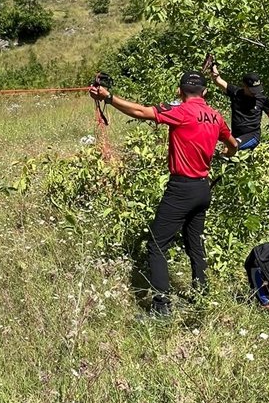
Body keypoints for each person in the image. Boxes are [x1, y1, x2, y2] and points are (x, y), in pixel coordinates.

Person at [89, 71, 237, 317]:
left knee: (157, 245)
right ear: (205, 92)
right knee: (195, 243)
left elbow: (140, 112)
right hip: (203, 188)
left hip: (181, 188)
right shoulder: (215, 116)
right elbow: (233, 144)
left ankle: (161, 309)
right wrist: (224, 153)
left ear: (180, 92)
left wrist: (109, 97)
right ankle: (202, 294)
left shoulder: (180, 111)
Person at [207, 63, 269, 151]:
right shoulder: (236, 93)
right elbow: (218, 80)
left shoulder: (262, 99)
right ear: (245, 86)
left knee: (230, 148)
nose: (255, 93)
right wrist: (213, 66)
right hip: (236, 135)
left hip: (252, 135)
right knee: (231, 158)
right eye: (252, 90)